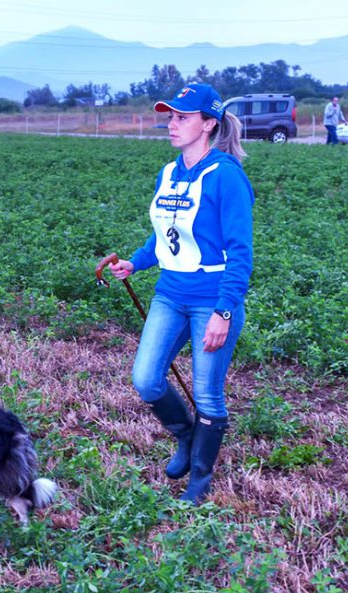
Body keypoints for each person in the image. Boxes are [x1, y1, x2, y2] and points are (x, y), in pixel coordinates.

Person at [107, 83, 254, 505]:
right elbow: (163, 238)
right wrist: (135, 262)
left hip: (212, 298)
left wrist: (224, 312)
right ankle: (187, 438)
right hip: (169, 293)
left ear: (208, 124)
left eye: (183, 117)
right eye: (170, 116)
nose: (172, 124)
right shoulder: (169, 173)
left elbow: (240, 253)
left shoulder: (225, 176)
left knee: (208, 393)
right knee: (146, 379)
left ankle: (201, 478)